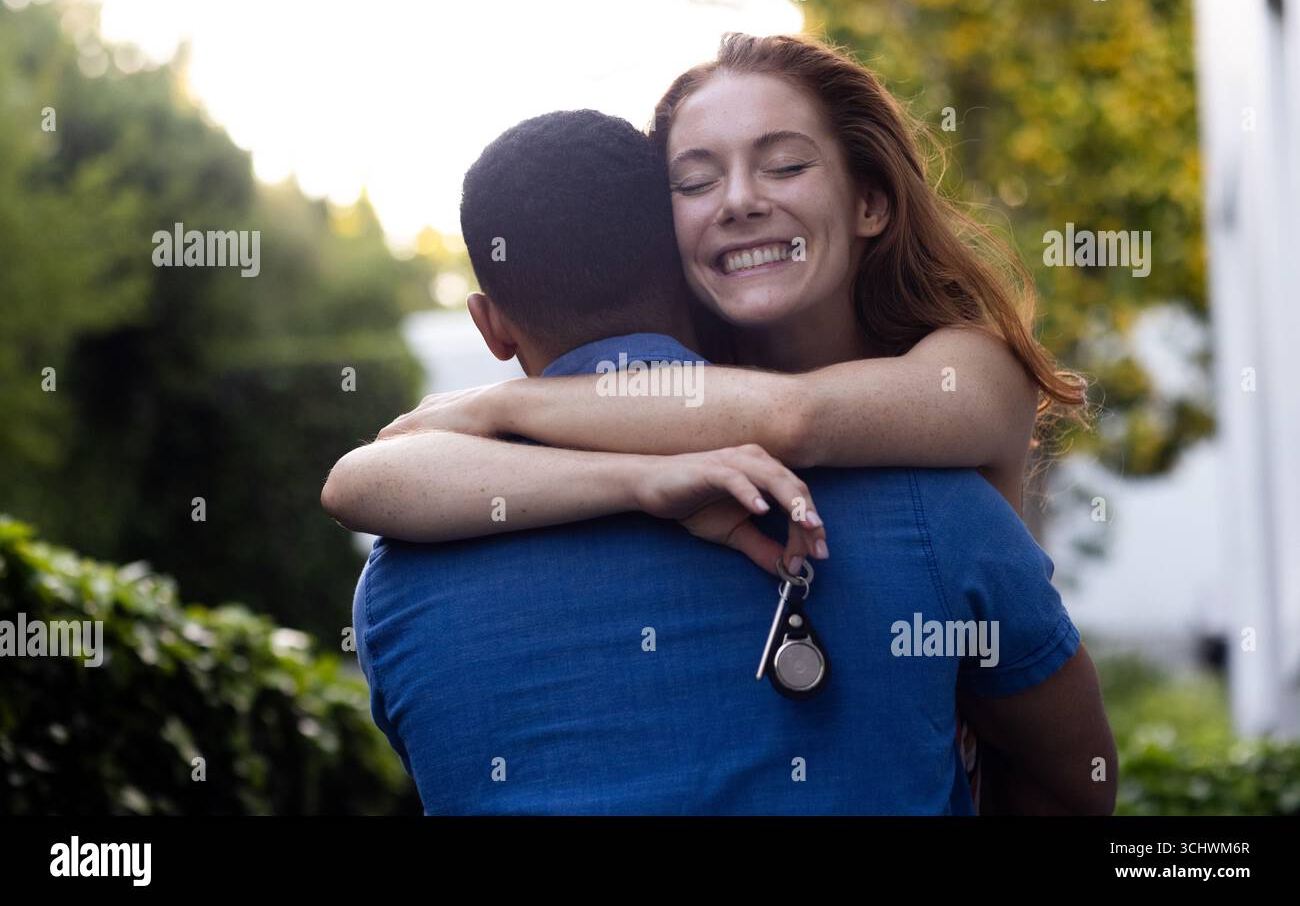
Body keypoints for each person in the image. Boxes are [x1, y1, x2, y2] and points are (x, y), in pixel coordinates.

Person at [326, 105, 1116, 814]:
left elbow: (357, 481)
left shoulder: (397, 584)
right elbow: (1075, 782)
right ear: (687, 261)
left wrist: (503, 409)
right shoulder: (932, 501)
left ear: (490, 327)